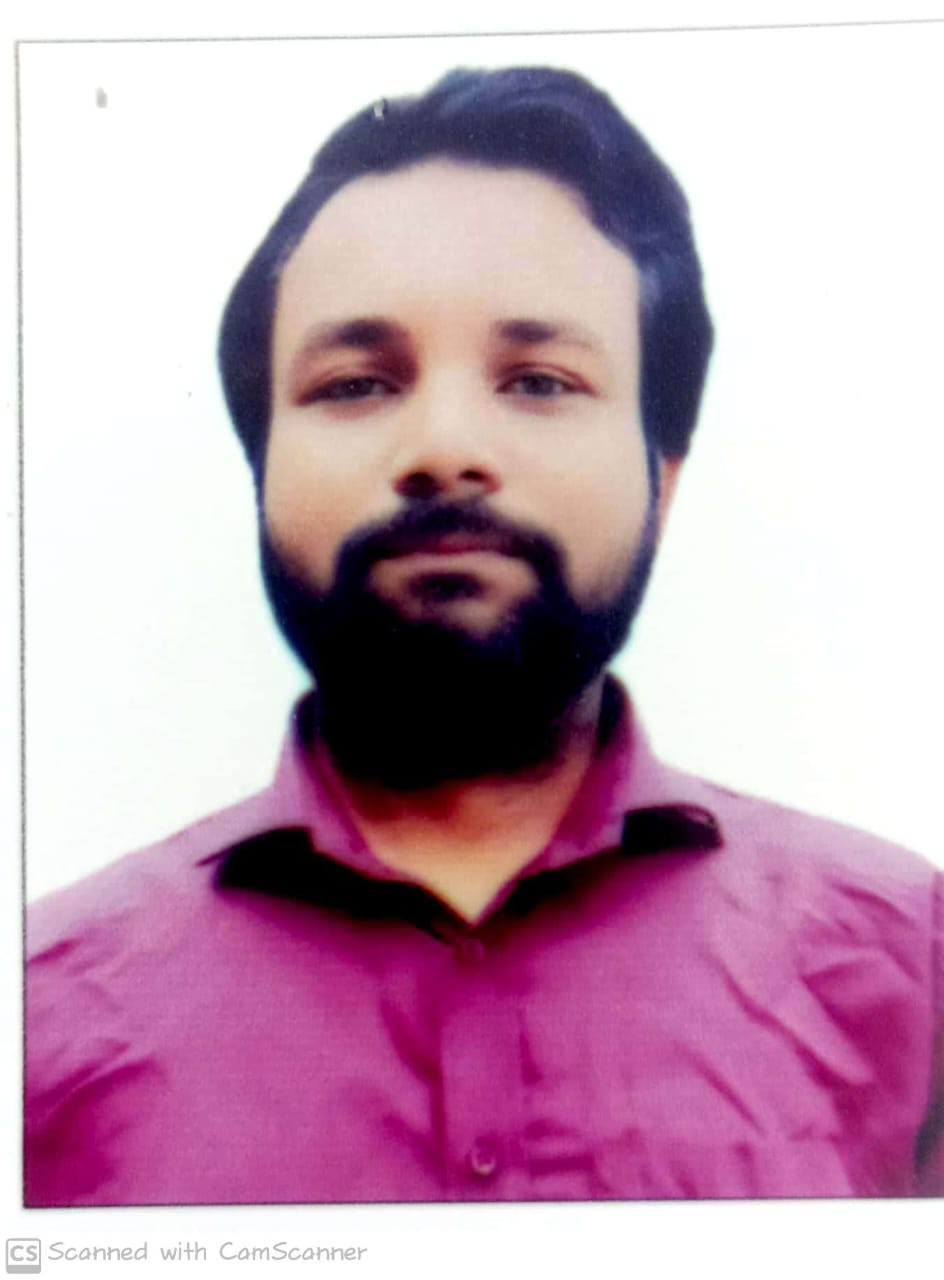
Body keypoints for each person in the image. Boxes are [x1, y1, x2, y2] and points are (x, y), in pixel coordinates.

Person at [25, 65, 942, 1205]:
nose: (445, 447)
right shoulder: (40, 1019)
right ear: (260, 471)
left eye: (540, 380)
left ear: (662, 477)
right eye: (356, 383)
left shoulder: (909, 966)